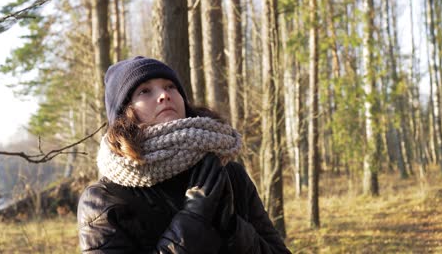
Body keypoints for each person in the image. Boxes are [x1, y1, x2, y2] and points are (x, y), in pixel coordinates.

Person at [77, 56, 291, 253]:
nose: (164, 95)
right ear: (124, 115)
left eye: (170, 86)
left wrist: (233, 229)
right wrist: (194, 220)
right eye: (145, 91)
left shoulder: (228, 173)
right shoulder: (102, 200)